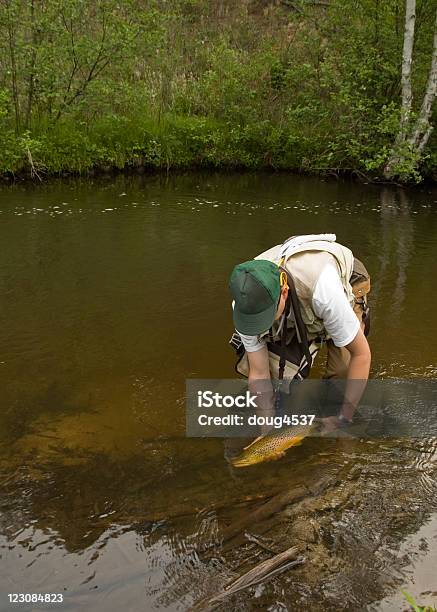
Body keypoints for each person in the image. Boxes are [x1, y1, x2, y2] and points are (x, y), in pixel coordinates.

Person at [228, 234, 371, 434]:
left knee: (341, 372)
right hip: (298, 300)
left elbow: (362, 355)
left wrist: (343, 418)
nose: (258, 326)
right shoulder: (244, 300)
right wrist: (266, 430)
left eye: (265, 317)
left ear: (284, 293)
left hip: (344, 282)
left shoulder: (326, 292)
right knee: (275, 374)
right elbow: (259, 373)